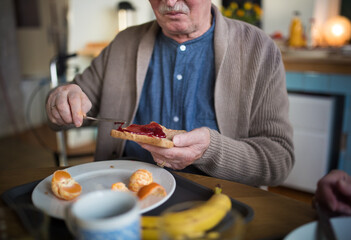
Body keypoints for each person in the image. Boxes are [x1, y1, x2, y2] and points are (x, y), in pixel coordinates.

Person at [46, 0, 294, 186]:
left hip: (217, 204)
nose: (171, 2)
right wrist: (61, 101)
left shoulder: (259, 50)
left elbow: (278, 160)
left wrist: (211, 151)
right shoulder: (123, 43)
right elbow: (69, 105)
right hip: (122, 197)